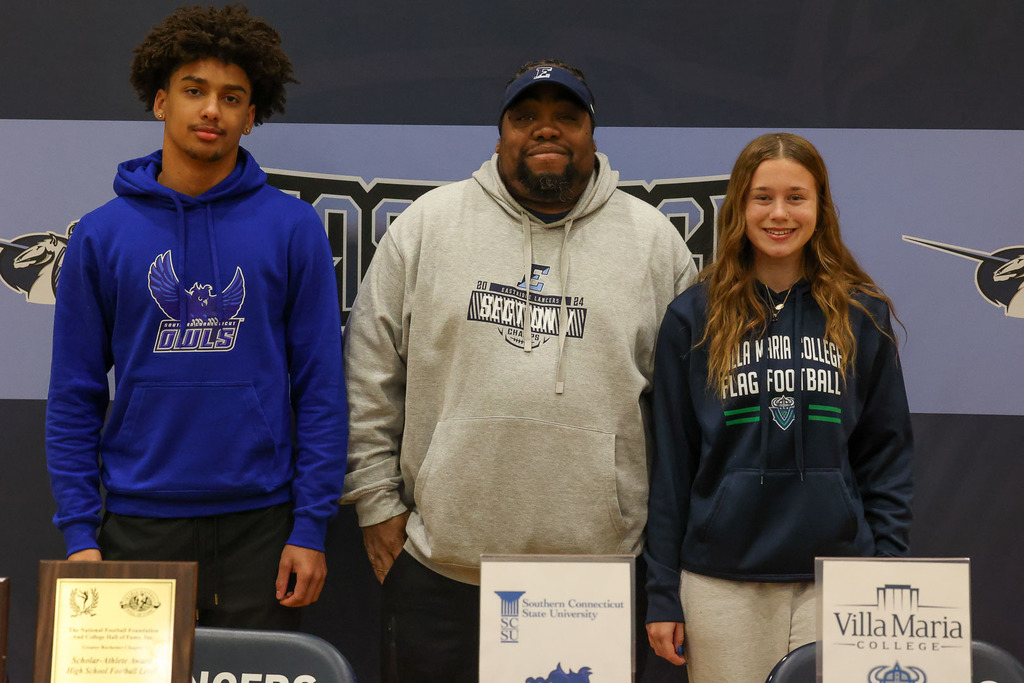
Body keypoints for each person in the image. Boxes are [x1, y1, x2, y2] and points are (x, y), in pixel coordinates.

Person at [342, 60, 698, 681]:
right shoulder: (425, 228)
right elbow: (370, 376)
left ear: (592, 133)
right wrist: (376, 505)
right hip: (441, 568)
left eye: (567, 117)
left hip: (594, 577)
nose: (546, 131)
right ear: (500, 133)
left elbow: (680, 415)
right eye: (526, 117)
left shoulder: (653, 243)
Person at [45, 4, 347, 629]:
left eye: (232, 96)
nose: (212, 109)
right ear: (161, 103)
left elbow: (321, 388)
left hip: (263, 528)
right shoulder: (101, 236)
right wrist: (80, 531)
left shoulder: (292, 230)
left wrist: (312, 526)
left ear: (251, 116)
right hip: (136, 526)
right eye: (194, 91)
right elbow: (73, 395)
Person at [644, 132, 914, 682]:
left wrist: (885, 572)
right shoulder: (692, 318)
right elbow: (670, 466)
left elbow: (886, 455)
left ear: (821, 208)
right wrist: (663, 593)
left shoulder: (862, 315)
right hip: (721, 582)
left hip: (837, 579)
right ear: (738, 206)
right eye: (762, 197)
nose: (779, 213)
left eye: (797, 197)